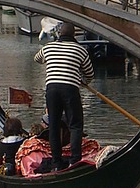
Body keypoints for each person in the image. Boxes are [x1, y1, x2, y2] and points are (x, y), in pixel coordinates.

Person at [33, 21, 94, 170]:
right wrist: (81, 80)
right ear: (74, 35)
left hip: (52, 88)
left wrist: (51, 62)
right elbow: (90, 74)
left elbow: (37, 59)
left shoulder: (48, 47)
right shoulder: (80, 50)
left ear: (59, 34)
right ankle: (74, 161)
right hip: (70, 88)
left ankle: (56, 163)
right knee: (75, 125)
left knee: (53, 125)